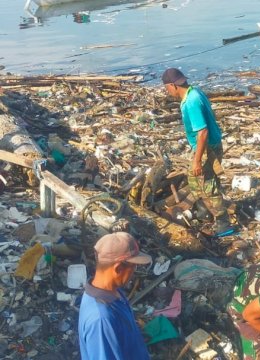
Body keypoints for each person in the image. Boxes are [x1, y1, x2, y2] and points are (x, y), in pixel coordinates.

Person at [162, 68, 228, 229]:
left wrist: (197, 160)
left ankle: (223, 223)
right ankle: (204, 211)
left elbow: (203, 132)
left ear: (172, 85)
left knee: (206, 184)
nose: (167, 91)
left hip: (207, 147)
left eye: (166, 88)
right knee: (194, 180)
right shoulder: (194, 92)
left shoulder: (191, 102)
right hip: (206, 145)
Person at [78, 232, 152, 360]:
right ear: (118, 268)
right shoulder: (101, 320)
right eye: (133, 267)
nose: (134, 272)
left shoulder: (114, 292)